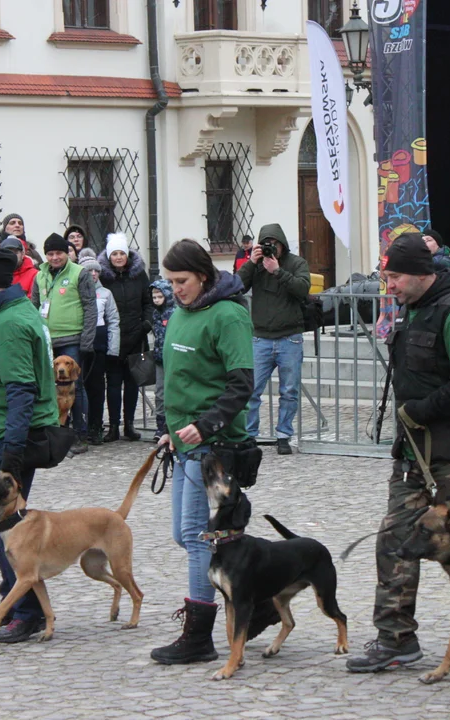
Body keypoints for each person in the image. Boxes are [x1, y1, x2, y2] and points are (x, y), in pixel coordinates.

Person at [346, 233, 450, 673]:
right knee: (394, 539)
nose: (387, 285)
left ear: (420, 274)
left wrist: (420, 412)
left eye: (393, 277)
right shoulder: (412, 311)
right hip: (413, 453)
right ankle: (395, 638)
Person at [149, 239, 257, 665]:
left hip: (214, 444)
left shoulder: (228, 315)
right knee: (185, 535)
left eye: (183, 281)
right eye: (171, 281)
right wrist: (171, 433)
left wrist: (205, 424)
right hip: (184, 441)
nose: (176, 288)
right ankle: (254, 595)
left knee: (199, 537)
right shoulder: (180, 313)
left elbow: (241, 383)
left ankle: (198, 636)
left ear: (205, 276)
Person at [0, 247, 61, 643]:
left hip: (9, 437)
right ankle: (16, 599)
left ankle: (26, 608)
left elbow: (21, 391)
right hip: (3, 434)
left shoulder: (7, 326)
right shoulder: (13, 314)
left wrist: (11, 454)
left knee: (0, 522)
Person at [237, 223, 311, 455]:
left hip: (290, 338)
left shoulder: (296, 263)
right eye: (266, 244)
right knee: (251, 390)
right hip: (260, 338)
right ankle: (249, 435)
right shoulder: (255, 266)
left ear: (282, 244)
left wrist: (278, 271)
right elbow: (236, 286)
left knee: (289, 391)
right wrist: (252, 262)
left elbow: (302, 288)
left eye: (274, 244)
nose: (271, 248)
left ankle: (283, 435)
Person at [31, 233, 96, 454]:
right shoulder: (39, 276)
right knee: (49, 389)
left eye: (59, 253)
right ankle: (56, 435)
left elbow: (90, 306)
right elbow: (34, 307)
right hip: (48, 340)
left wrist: (87, 339)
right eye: (50, 253)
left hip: (72, 338)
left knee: (76, 387)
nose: (55, 257)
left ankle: (80, 435)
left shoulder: (80, 273)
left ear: (67, 253)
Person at [98, 232, 152, 442]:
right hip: (113, 336)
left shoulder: (139, 275)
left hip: (136, 334)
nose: (119, 257)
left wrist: (146, 323)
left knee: (132, 383)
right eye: (115, 254)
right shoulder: (103, 276)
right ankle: (113, 425)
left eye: (122, 253)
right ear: (109, 256)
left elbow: (148, 300)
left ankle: (129, 424)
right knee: (113, 382)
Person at [78, 251, 120, 446]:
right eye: (89, 270)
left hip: (99, 344)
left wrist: (113, 348)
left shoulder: (106, 294)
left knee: (96, 387)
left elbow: (113, 321)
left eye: (96, 270)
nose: (93, 274)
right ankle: (80, 425)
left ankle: (96, 425)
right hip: (80, 343)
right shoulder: (75, 292)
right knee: (79, 386)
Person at [149, 278, 175, 442]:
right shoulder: (155, 313)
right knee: (159, 392)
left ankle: (172, 425)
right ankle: (160, 426)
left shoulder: (174, 312)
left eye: (160, 296)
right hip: (160, 358)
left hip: (173, 358)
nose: (157, 300)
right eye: (154, 297)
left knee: (173, 391)